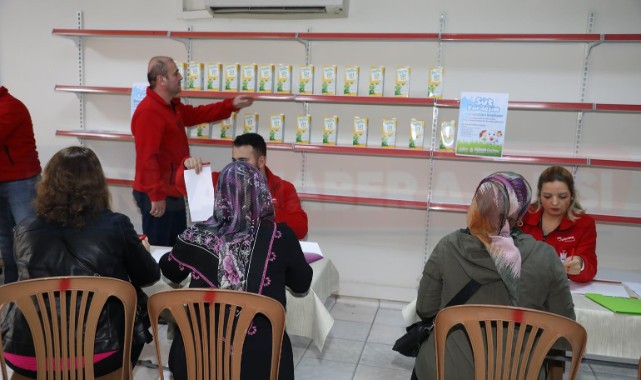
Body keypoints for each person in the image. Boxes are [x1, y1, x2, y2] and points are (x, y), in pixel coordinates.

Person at [2, 146, 160, 378]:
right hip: (99, 351)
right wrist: (141, 250)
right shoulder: (116, 225)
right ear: (97, 184)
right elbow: (149, 276)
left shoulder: (24, 229)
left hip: (25, 350)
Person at [413, 172, 575, 380]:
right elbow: (564, 336)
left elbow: (425, 308)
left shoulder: (448, 247)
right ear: (520, 213)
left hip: (447, 372)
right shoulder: (546, 257)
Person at [159, 161, 312, 380]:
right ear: (261, 193)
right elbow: (302, 284)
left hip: (197, 360)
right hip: (260, 364)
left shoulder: (198, 235)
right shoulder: (281, 236)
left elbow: (171, 271)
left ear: (220, 195)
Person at [132, 56, 254, 246]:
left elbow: (198, 114)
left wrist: (230, 105)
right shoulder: (149, 112)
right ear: (161, 80)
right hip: (158, 194)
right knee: (160, 248)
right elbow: (147, 158)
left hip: (173, 188)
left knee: (178, 247)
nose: (180, 77)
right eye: (175, 73)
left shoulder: (171, 107)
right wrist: (156, 196)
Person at [179, 132, 308, 239]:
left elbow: (301, 228)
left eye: (243, 161)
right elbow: (183, 187)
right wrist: (187, 166)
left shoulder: (283, 188)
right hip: (226, 257)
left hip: (266, 257)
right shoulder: (222, 180)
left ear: (261, 161)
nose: (236, 166)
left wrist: (261, 210)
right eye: (234, 161)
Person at [521, 166, 597, 283]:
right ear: (539, 196)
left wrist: (580, 264)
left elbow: (590, 268)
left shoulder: (584, 223)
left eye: (562, 196)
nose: (555, 202)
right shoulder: (522, 216)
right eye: (547, 196)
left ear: (572, 196)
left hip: (560, 289)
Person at [0, 86, 41, 284]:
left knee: (29, 241)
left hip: (21, 184)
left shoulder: (10, 107)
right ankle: (10, 295)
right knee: (6, 243)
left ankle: (34, 293)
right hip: (8, 183)